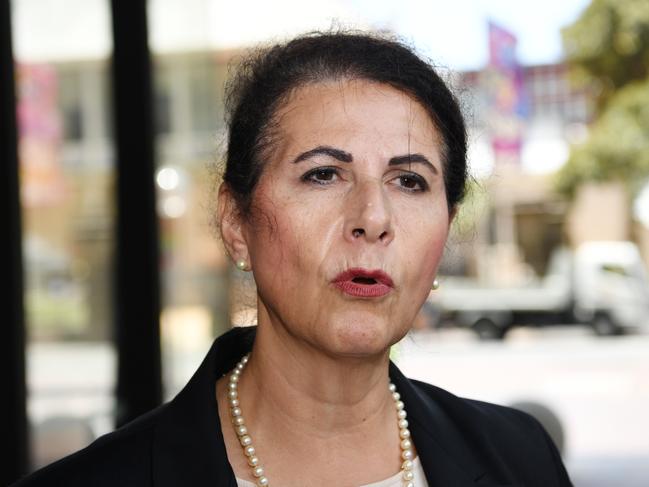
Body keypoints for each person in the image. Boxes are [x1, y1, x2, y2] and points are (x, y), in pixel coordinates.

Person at [13, 31, 573, 487]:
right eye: (323, 174)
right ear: (237, 223)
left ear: (446, 226)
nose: (373, 217)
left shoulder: (520, 458)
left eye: (409, 181)